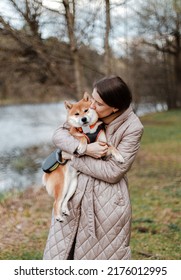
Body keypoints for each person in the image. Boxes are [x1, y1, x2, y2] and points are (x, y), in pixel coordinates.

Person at [43, 75, 144, 260]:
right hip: (74, 193)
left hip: (106, 202)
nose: (91, 105)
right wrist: (84, 149)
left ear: (114, 107)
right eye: (92, 99)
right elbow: (59, 134)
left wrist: (70, 157)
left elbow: (114, 172)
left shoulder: (133, 127)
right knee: (62, 255)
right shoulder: (88, 112)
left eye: (98, 102)